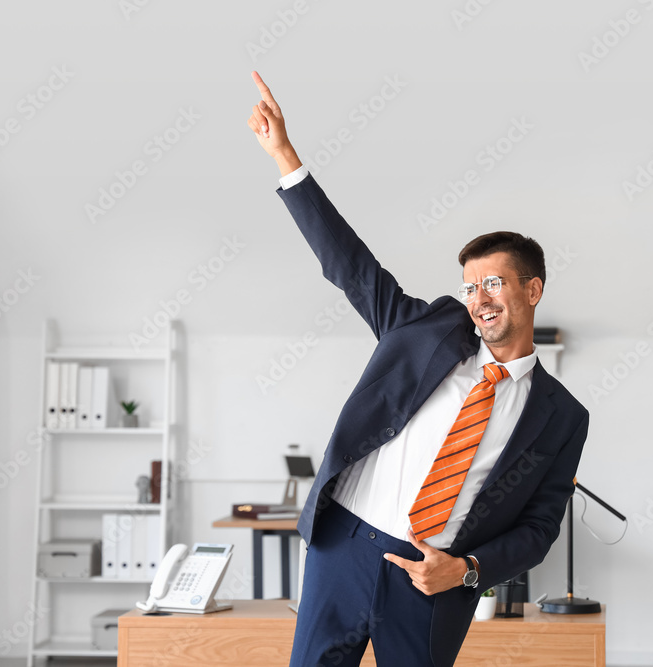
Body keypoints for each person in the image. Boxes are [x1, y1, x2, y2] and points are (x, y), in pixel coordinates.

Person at [247, 71, 589, 667]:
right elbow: (351, 267)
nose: (478, 298)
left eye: (493, 283)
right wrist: (284, 155)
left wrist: (467, 570)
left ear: (532, 289)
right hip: (345, 546)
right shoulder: (426, 331)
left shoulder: (562, 416)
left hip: (433, 580)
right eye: (469, 286)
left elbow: (538, 530)